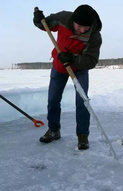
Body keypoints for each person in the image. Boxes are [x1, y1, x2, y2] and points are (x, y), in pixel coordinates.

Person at [33, 4, 102, 150]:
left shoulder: (94, 35)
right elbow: (45, 24)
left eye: (86, 27)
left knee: (82, 101)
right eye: (79, 26)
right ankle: (54, 130)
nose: (82, 30)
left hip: (79, 69)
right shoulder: (63, 18)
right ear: (73, 21)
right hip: (59, 67)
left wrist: (72, 58)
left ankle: (83, 135)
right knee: (53, 99)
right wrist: (38, 20)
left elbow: (91, 60)